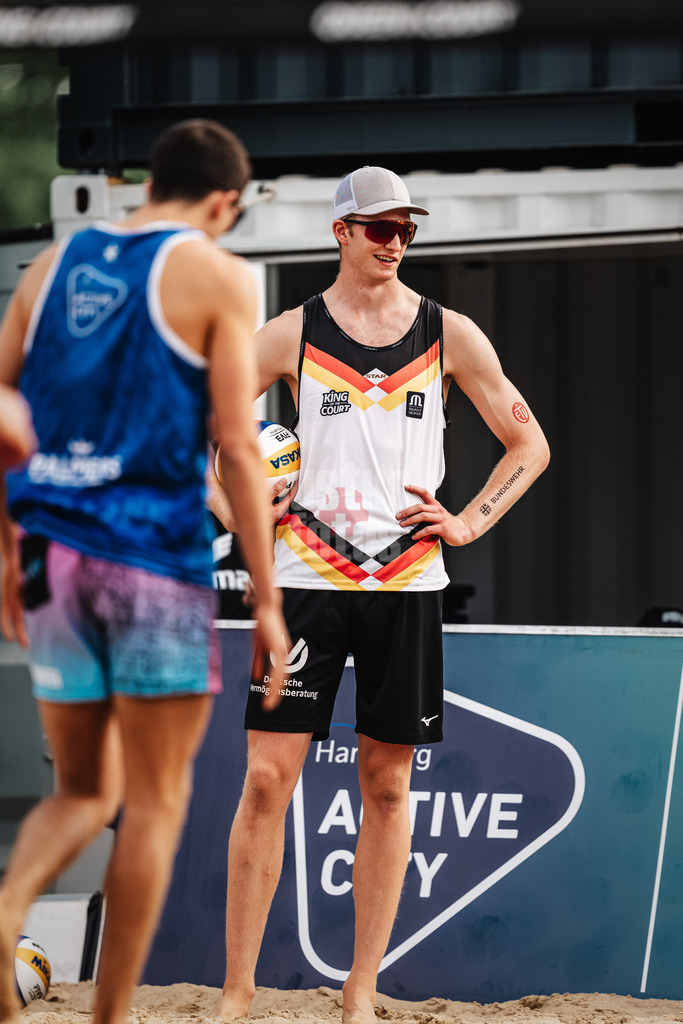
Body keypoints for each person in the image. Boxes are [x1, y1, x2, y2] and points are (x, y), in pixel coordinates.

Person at [210, 165, 550, 1024]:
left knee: (387, 785)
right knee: (265, 781)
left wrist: (467, 522)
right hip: (304, 579)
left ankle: (359, 989)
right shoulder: (290, 333)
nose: (395, 241)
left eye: (405, 228)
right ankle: (238, 992)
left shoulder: (449, 333)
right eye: (378, 227)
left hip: (405, 582)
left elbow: (529, 445)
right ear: (341, 232)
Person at [0, 119, 287, 1024]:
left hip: (53, 555)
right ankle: (111, 1017)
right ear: (225, 202)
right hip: (151, 565)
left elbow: (5, 407)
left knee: (83, 790)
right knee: (156, 803)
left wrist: (7, 550)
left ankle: (5, 916)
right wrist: (268, 596)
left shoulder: (51, 268)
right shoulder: (217, 274)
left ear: (148, 183)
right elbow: (236, 445)